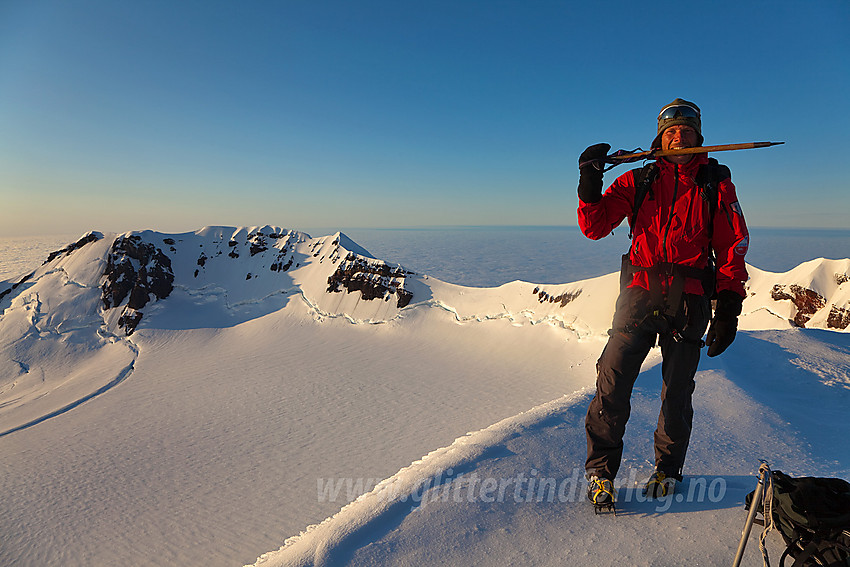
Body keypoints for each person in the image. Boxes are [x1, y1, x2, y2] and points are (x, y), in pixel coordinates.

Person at [576, 98, 749, 506]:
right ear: (659, 137)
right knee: (612, 383)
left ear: (698, 137)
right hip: (637, 295)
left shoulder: (716, 183)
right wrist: (589, 182)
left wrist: (728, 306)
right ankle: (601, 473)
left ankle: (667, 471)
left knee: (676, 393)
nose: (679, 136)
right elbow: (595, 227)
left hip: (689, 302)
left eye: (687, 130)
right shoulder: (639, 180)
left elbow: (731, 247)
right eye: (671, 130)